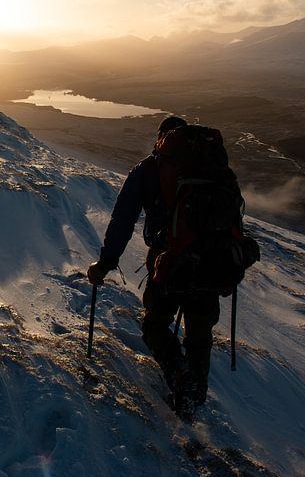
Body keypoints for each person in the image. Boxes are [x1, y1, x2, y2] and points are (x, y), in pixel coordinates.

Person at [87, 116, 228, 421]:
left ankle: (179, 378)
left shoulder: (150, 170)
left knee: (155, 326)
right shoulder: (211, 169)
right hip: (214, 264)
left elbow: (123, 219)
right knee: (199, 335)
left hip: (169, 263)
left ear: (162, 139)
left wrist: (107, 261)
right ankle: (193, 398)